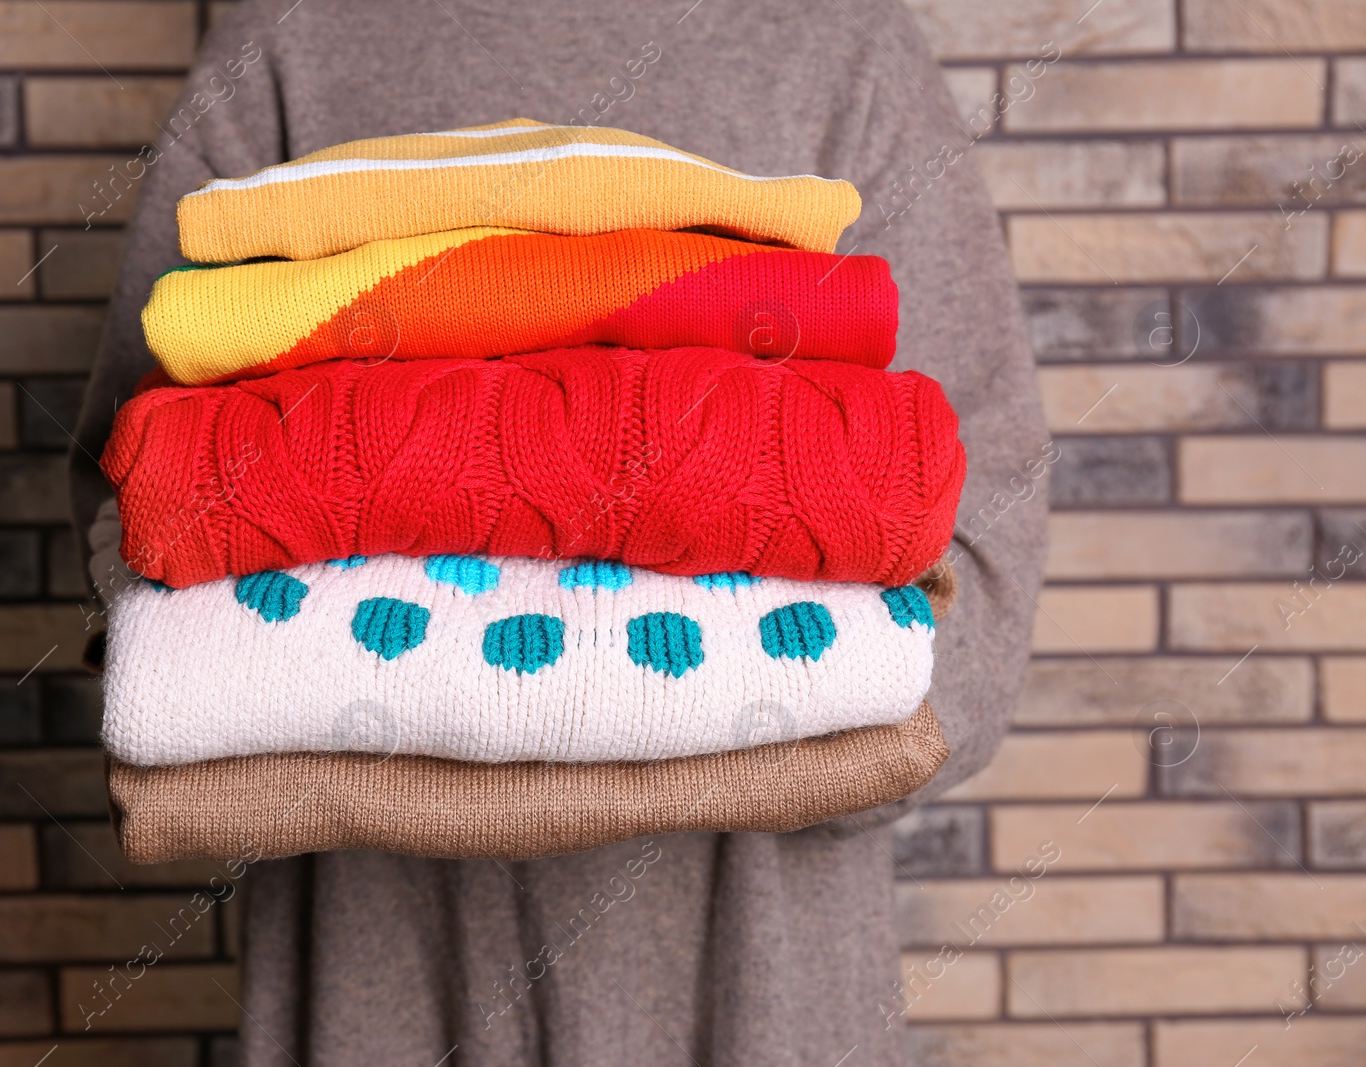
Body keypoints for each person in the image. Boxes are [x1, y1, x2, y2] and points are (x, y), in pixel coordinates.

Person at [69, 1, 1047, 1062]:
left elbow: (978, 513)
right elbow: (143, 499)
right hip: (378, 970)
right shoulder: (294, 38)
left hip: (758, 973)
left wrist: (811, 752)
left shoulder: (835, 41)